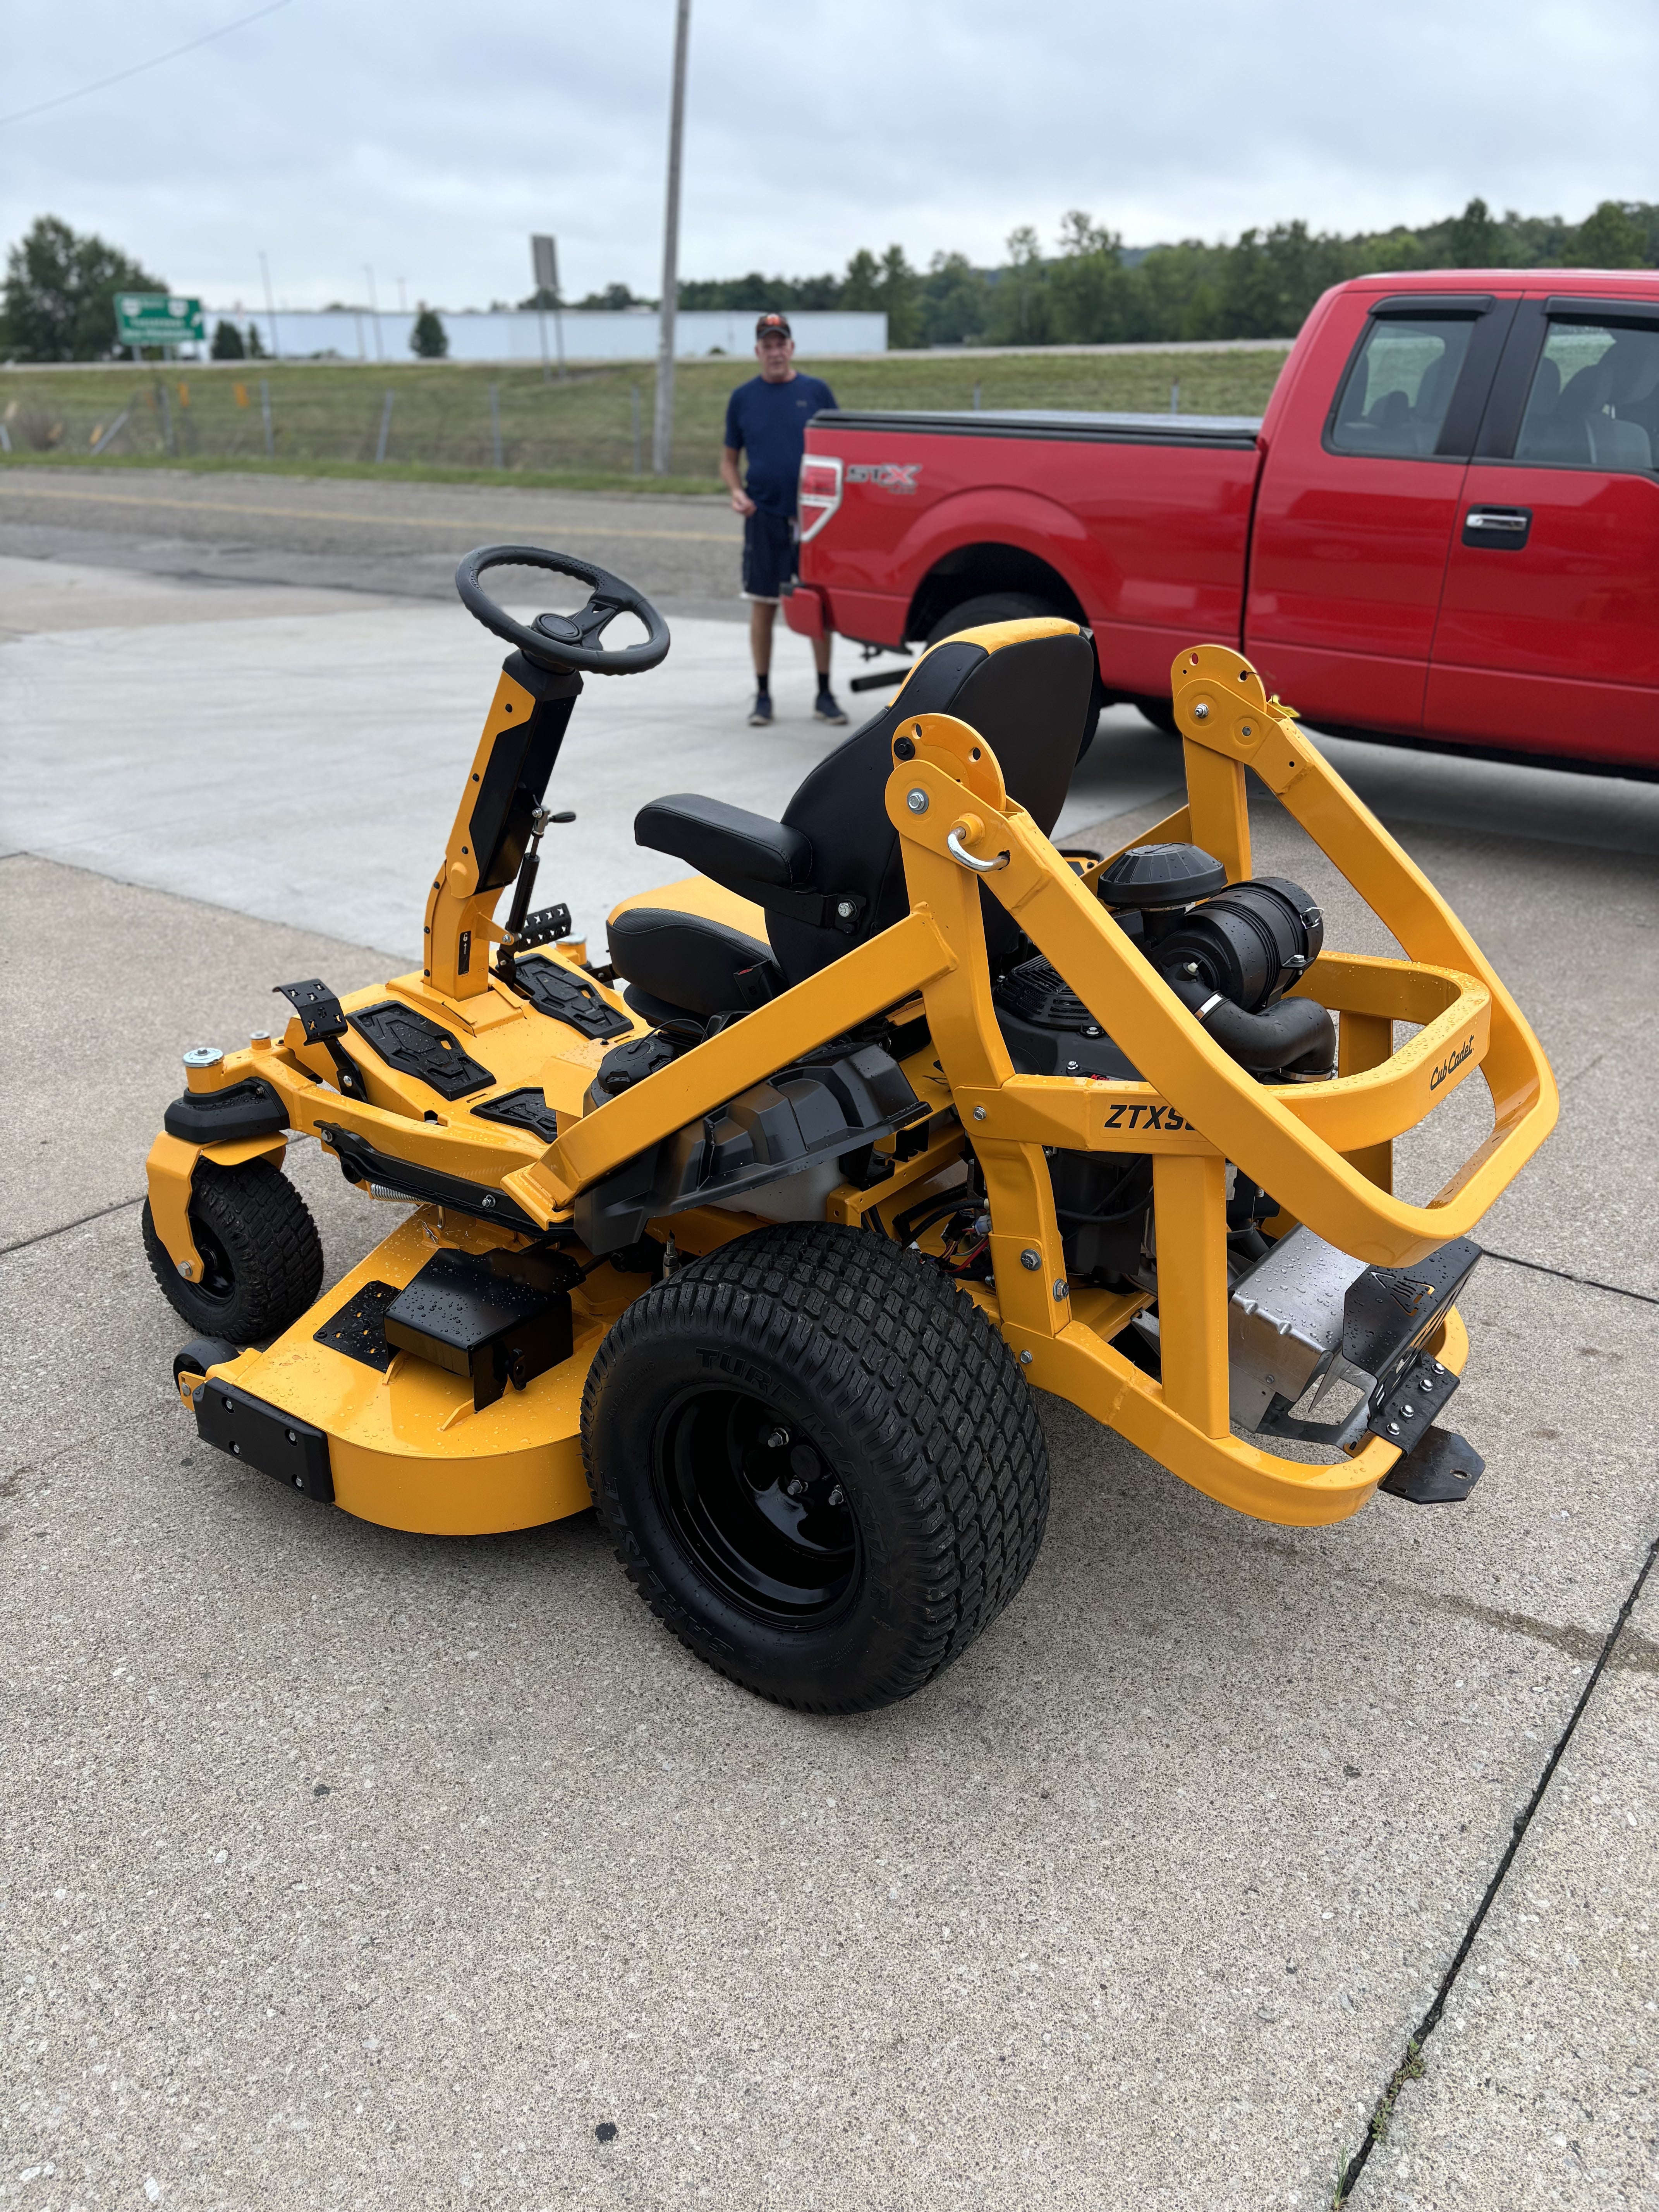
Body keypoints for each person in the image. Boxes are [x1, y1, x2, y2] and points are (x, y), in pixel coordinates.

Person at [721, 312, 847, 728]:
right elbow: (729, 460)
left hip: (813, 520)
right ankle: (762, 694)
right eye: (767, 345)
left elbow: (840, 448)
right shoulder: (743, 398)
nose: (775, 352)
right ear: (758, 352)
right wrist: (738, 494)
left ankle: (825, 693)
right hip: (765, 517)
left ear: (791, 348)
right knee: (763, 606)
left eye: (781, 344)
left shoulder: (816, 393)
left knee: (818, 608)